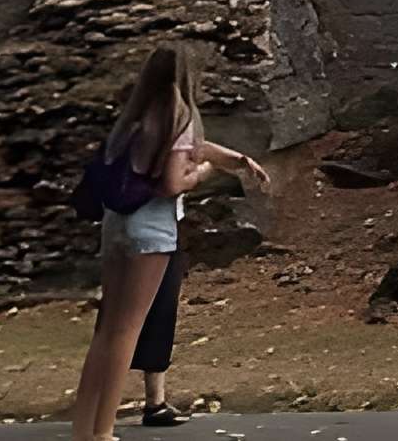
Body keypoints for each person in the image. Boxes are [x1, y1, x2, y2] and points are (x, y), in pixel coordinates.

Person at [69, 46, 265, 441]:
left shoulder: (134, 116)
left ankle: (83, 429)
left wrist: (236, 158)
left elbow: (187, 148)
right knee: (128, 329)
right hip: (152, 228)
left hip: (116, 223)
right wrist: (206, 173)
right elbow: (174, 181)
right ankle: (104, 432)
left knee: (107, 328)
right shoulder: (180, 115)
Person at [132, 251, 189, 426]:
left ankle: (155, 402)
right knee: (122, 323)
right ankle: (99, 413)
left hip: (160, 234)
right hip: (148, 236)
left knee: (161, 307)